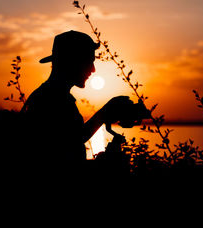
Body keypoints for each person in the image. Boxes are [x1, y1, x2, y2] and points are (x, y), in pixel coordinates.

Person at [21, 30, 135, 171]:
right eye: (89, 62)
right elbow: (54, 164)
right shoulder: (50, 99)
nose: (93, 69)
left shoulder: (50, 96)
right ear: (71, 62)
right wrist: (104, 165)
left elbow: (68, 149)